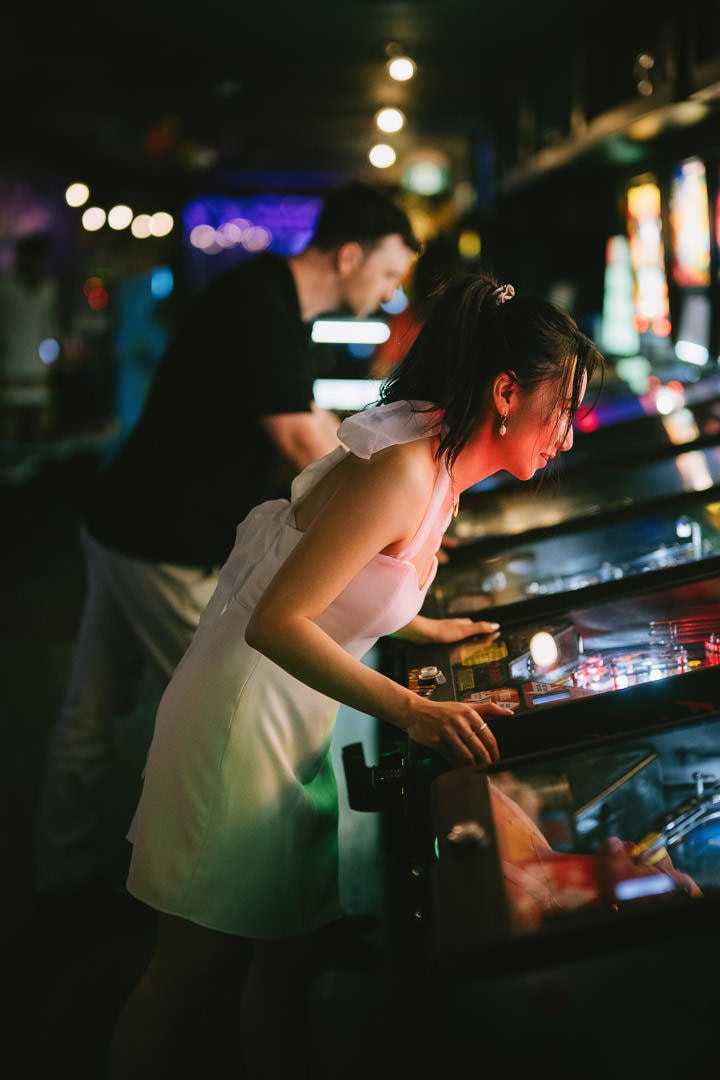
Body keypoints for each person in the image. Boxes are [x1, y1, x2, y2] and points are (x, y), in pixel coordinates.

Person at [107, 269, 605, 1078]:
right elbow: (279, 619)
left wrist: (428, 624)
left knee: (286, 956)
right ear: (508, 392)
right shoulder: (406, 469)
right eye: (564, 410)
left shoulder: (435, 454)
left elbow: (346, 573)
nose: (569, 436)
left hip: (290, 718)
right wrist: (415, 710)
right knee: (187, 971)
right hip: (240, 719)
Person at [34, 181, 422, 904]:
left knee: (92, 707)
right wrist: (398, 503)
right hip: (159, 540)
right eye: (390, 272)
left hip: (125, 520)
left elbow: (310, 420)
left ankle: (63, 877)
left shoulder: (271, 302)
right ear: (347, 255)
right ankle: (218, 899)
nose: (393, 291)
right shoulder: (261, 305)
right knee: (228, 713)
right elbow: (303, 437)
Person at [0, 231, 62, 442]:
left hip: (38, 370)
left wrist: (50, 365)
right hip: (10, 369)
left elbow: (50, 332)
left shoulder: (48, 290)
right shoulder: (6, 289)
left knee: (40, 428)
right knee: (9, 429)